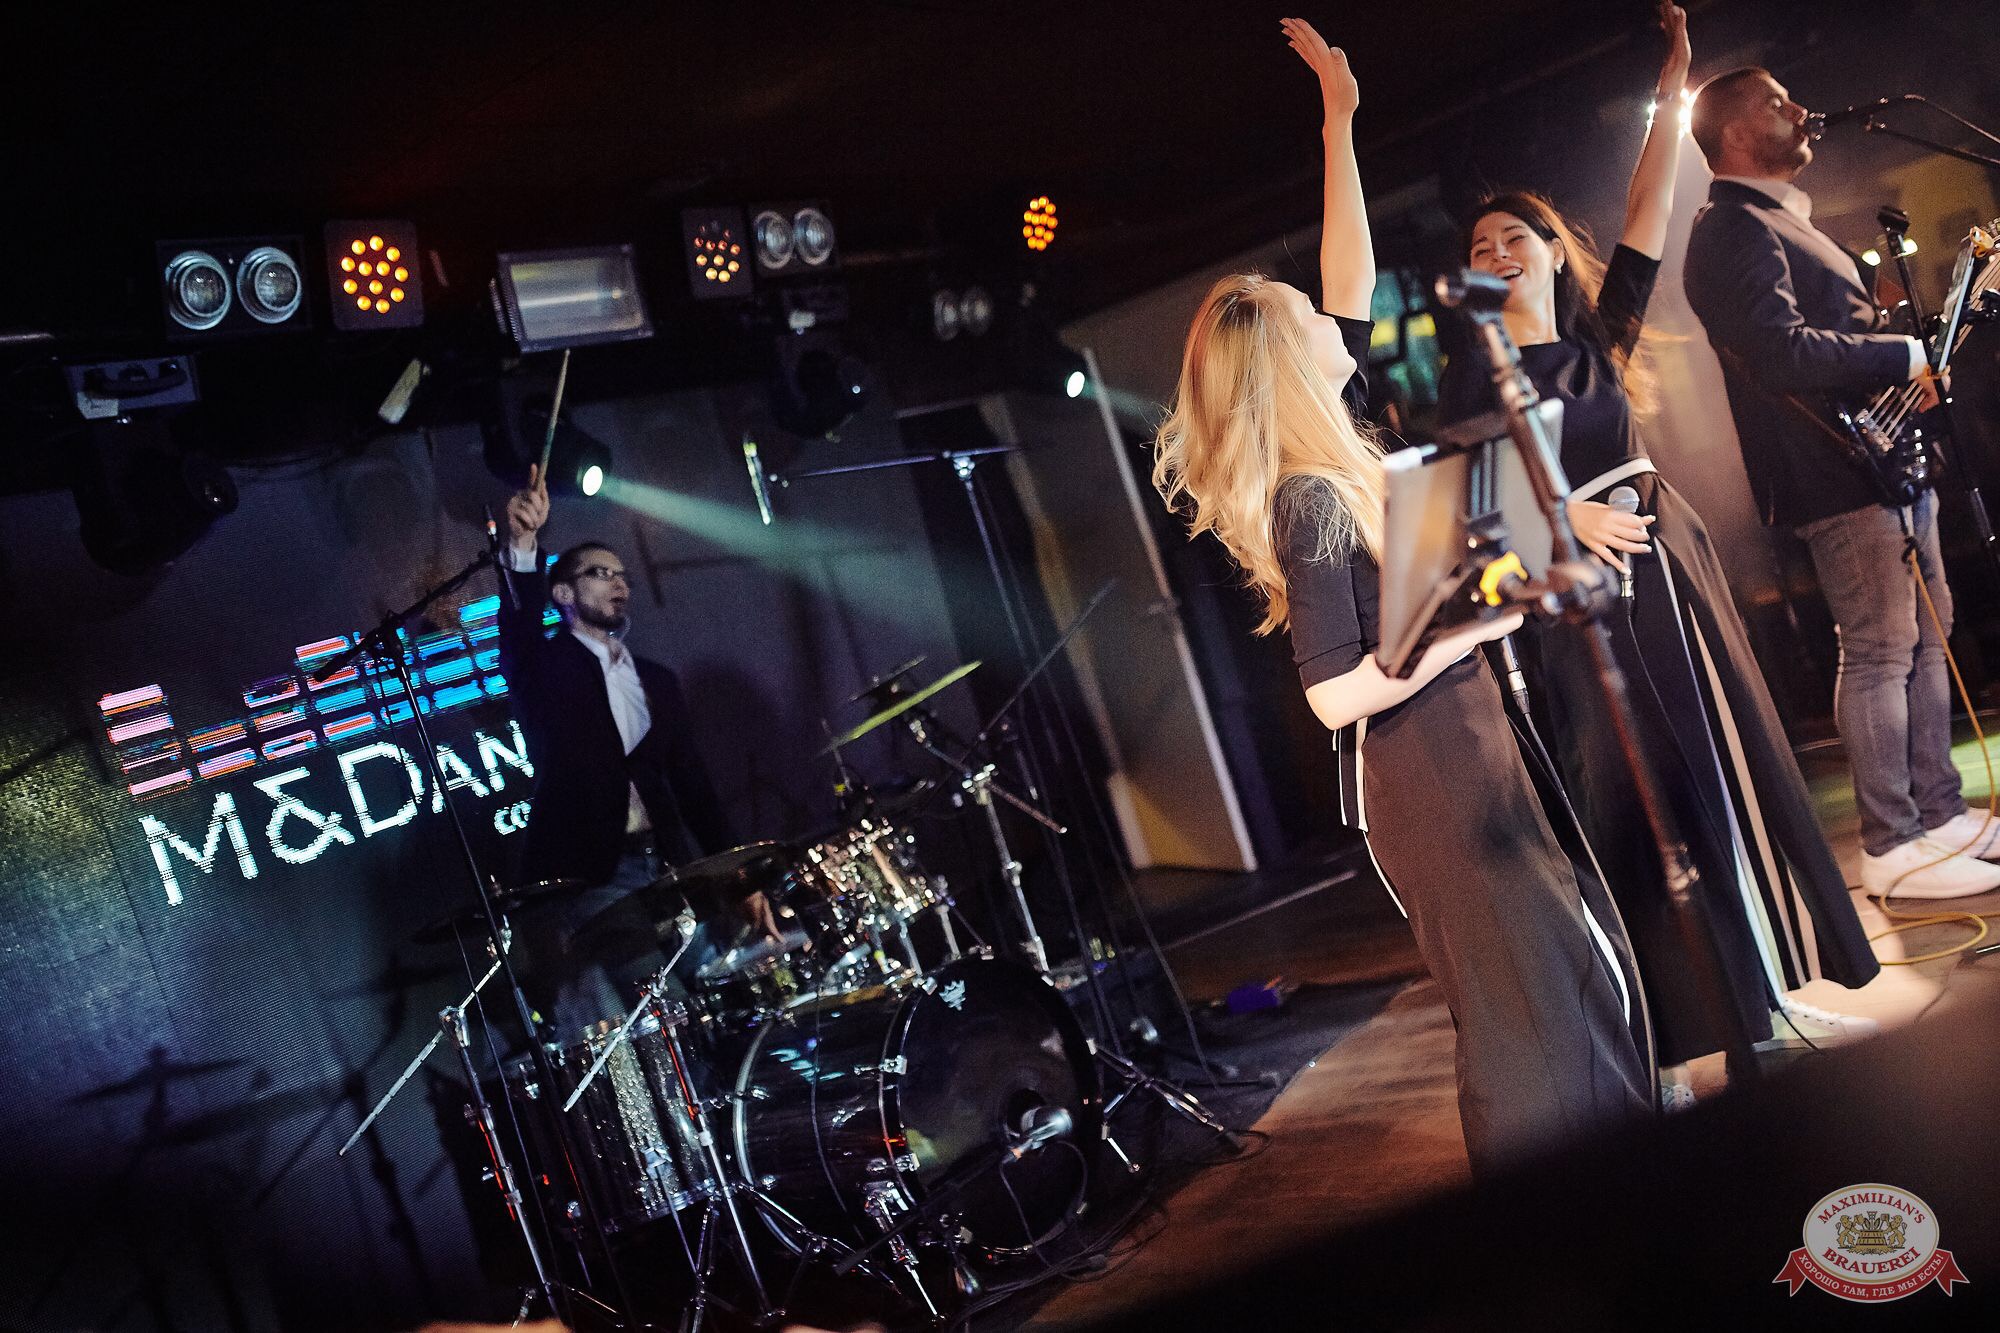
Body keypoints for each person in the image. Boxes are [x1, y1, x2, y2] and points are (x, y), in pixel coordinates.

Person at [1153, 19, 1650, 1175]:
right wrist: (1473, 621)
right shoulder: (1308, 496)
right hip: (1426, 776)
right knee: (1528, 1012)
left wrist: (1338, 123)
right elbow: (1332, 692)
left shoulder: (1343, 459)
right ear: (1290, 361)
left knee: (1564, 978)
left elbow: (1345, 280)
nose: (1335, 316)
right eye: (1306, 316)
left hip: (1464, 739)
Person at [1435, 5, 1881, 1099]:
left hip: (1667, 579)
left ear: (1552, 255)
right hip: (1572, 606)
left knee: (1719, 785)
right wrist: (1562, 521)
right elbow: (1465, 517)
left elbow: (1643, 205)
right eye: (1479, 248)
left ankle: (1765, 1002)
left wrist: (1674, 83)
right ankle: (1672, 1043)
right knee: (1628, 814)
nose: (1495, 253)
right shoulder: (1469, 384)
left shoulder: (1597, 337)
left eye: (1513, 238)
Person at [1681, 68, 2000, 900]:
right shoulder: (1730, 226)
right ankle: (1892, 840)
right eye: (1776, 102)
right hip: (1832, 470)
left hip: (1878, 456)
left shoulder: (1779, 220)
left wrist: (1915, 349)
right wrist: (1904, 354)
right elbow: (1780, 350)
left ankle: (1937, 812)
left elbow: (1836, 338)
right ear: (1734, 132)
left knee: (1927, 636)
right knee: (1880, 647)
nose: (1799, 109)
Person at [500, 464, 743, 1039]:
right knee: (661, 1011)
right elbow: (520, 632)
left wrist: (738, 873)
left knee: (716, 998)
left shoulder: (654, 679)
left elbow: (691, 781)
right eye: (600, 573)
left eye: (623, 575)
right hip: (594, 873)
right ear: (564, 593)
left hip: (664, 863)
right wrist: (524, 545)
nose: (619, 584)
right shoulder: (549, 668)